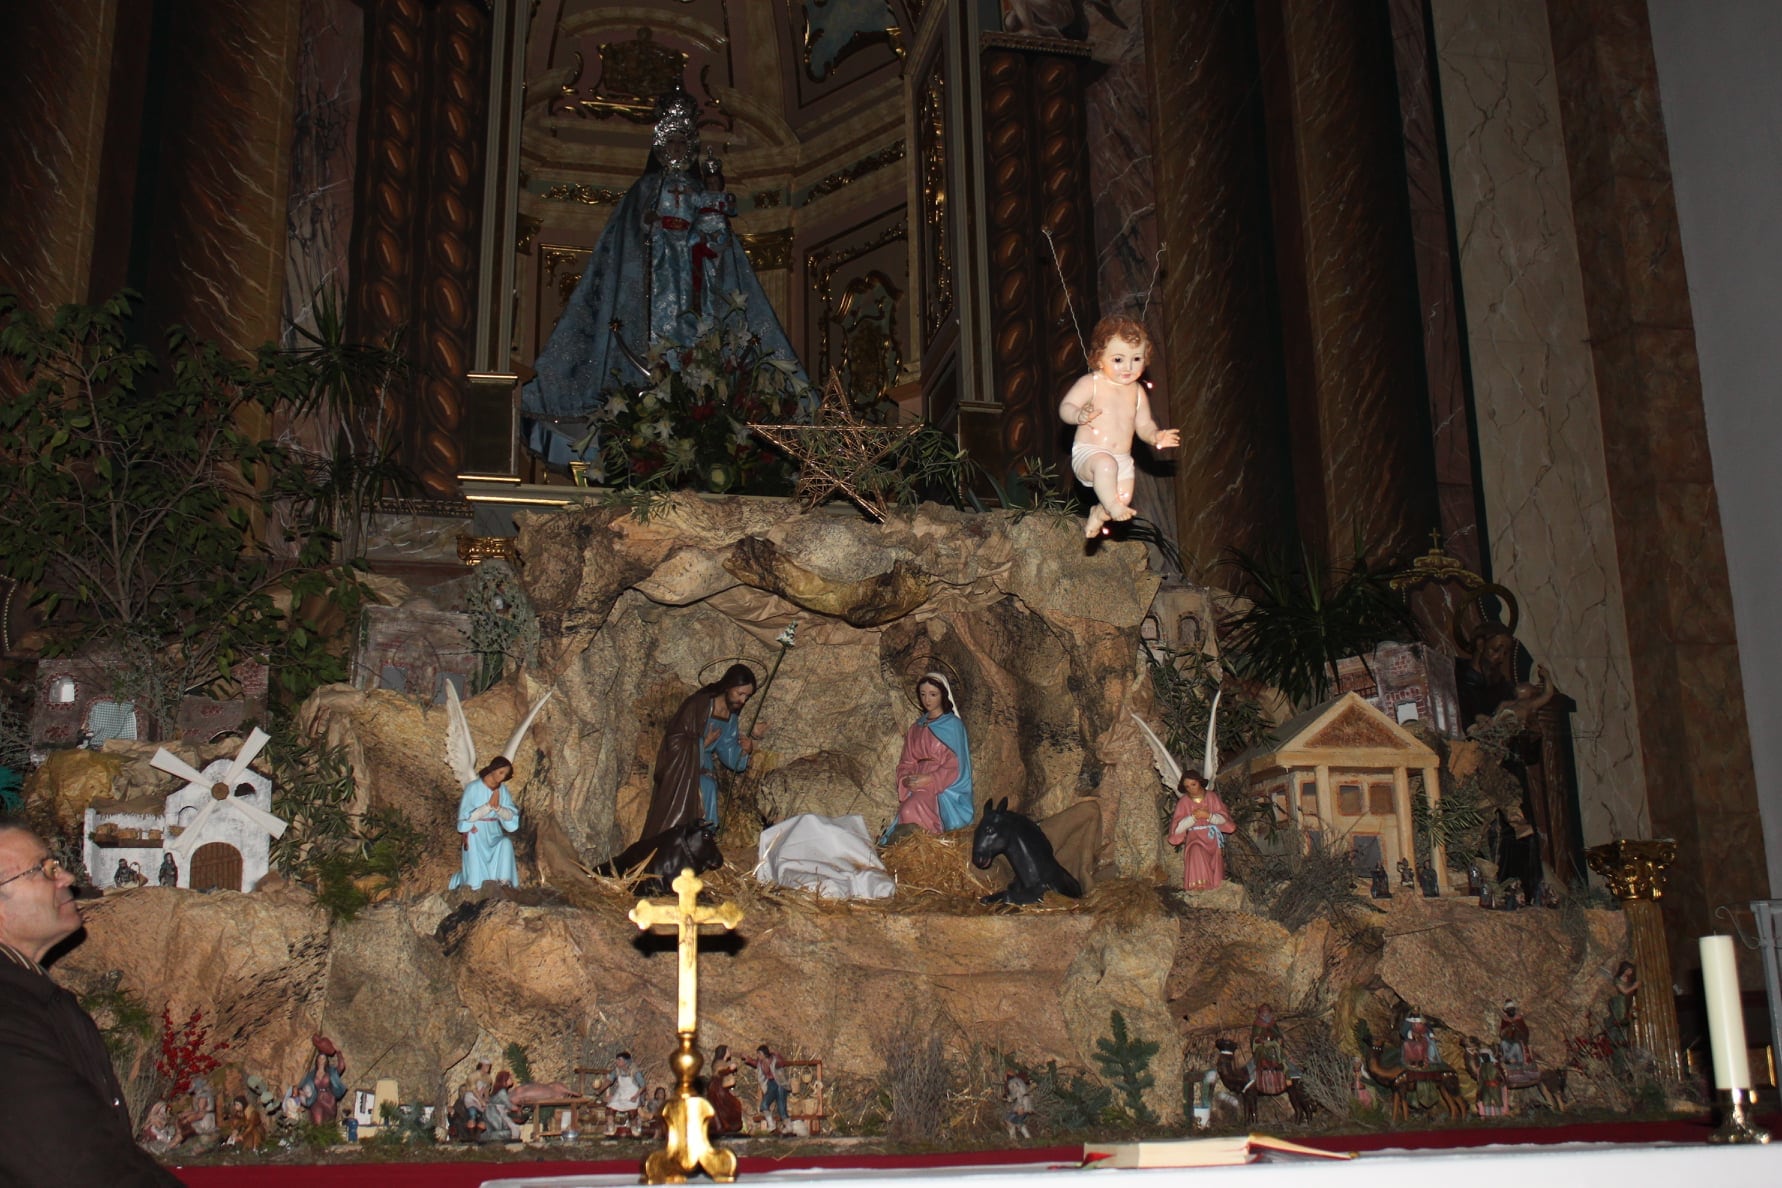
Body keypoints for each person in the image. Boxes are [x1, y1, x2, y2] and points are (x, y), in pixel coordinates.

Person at [522, 87, 810, 467]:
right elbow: (623, 247)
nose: (676, 149)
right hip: (650, 289)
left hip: (694, 287)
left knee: (700, 343)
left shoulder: (698, 190)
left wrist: (709, 207)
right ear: (660, 147)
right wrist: (652, 230)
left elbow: (717, 243)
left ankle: (698, 391)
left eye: (682, 142)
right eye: (670, 141)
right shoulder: (643, 190)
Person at [0, 821, 185, 1184]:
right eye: (46, 870)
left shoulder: (33, 995)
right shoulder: (8, 1015)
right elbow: (75, 1158)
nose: (67, 877)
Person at [1058, 316, 1179, 538]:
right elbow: (1065, 407)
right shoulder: (1092, 383)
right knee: (1106, 467)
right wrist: (1078, 414)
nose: (1128, 367)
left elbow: (1143, 423)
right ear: (1099, 358)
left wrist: (1155, 436)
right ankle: (1111, 506)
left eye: (1136, 359)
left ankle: (1100, 512)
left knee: (1122, 497)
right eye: (1118, 359)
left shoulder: (1137, 392)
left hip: (1122, 458)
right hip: (1090, 454)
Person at [640, 664, 762, 840]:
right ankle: (676, 839)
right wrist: (702, 744)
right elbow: (674, 738)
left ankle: (702, 839)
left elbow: (727, 751)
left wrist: (744, 751)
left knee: (708, 786)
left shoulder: (731, 716)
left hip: (704, 767)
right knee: (701, 788)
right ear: (728, 687)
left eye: (747, 697)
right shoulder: (699, 704)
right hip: (682, 767)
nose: (742, 701)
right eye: (740, 694)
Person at [883, 673, 974, 839]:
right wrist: (906, 779)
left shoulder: (953, 725)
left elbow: (955, 764)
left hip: (939, 786)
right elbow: (906, 761)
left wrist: (931, 779)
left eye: (933, 694)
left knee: (909, 810)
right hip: (917, 784)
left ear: (943, 695)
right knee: (906, 811)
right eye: (923, 694)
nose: (927, 699)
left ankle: (928, 840)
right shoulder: (916, 728)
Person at [450, 757, 520, 891]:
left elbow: (511, 817)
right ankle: (470, 885)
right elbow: (466, 817)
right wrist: (487, 807)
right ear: (493, 769)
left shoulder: (503, 791)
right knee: (474, 877)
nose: (503, 777)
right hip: (476, 831)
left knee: (505, 843)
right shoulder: (473, 788)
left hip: (493, 831)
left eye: (505, 774)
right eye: (501, 772)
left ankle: (503, 882)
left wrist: (498, 809)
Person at [1166, 770, 1235, 890]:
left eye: (1193, 784)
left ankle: (1214, 887)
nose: (1191, 788)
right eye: (1187, 786)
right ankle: (1199, 886)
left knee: (1215, 863)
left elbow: (1223, 818)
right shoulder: (1184, 802)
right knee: (1196, 851)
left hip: (1211, 838)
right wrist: (1193, 817)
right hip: (1195, 837)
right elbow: (1177, 828)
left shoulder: (1212, 797)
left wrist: (1208, 816)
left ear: (1199, 782)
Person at [296, 1033, 348, 1126]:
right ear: (317, 1060)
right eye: (320, 1058)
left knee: (328, 1124)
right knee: (317, 1123)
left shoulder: (331, 1073)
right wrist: (303, 1094)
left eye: (323, 1059)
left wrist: (338, 1053)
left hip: (329, 1100)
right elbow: (302, 1086)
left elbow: (341, 1066)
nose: (321, 1061)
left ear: (326, 1061)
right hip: (316, 1099)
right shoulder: (312, 1074)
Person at [741, 1043, 790, 1132]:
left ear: (764, 1054)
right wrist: (748, 1059)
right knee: (764, 1105)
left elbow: (782, 1063)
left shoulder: (774, 1060)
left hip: (779, 1084)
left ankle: (789, 1127)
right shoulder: (760, 1063)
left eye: (759, 1054)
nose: (758, 1056)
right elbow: (754, 1062)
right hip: (771, 1084)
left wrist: (777, 1054)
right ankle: (771, 1125)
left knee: (781, 1107)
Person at [605, 1051, 647, 1135]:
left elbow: (643, 1086)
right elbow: (609, 1081)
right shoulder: (617, 1071)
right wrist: (600, 1090)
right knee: (609, 1109)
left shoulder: (635, 1071)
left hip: (633, 1094)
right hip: (620, 1093)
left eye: (619, 1060)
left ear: (626, 1061)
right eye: (617, 1060)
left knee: (632, 1112)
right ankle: (611, 1128)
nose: (617, 1062)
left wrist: (636, 1096)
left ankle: (634, 1129)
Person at [706, 1043, 744, 1135]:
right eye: (728, 1050)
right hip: (718, 1090)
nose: (729, 1052)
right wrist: (729, 1069)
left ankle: (729, 1126)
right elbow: (720, 1073)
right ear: (723, 1052)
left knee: (731, 1106)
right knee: (729, 1106)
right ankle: (724, 1126)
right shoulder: (718, 1063)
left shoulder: (723, 1063)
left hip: (723, 1089)